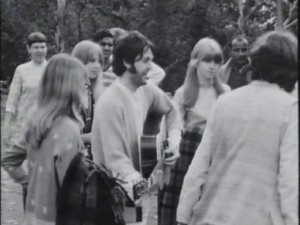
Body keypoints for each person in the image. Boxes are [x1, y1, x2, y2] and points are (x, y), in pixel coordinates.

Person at [177, 30, 298, 225]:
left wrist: (183, 216)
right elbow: (290, 182)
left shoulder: (224, 101)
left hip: (210, 217)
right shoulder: (290, 109)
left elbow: (199, 167)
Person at [91, 31, 182, 225]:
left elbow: (172, 111)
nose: (151, 67)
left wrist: (174, 141)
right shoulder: (110, 103)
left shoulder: (146, 89)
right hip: (114, 198)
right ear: (126, 62)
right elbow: (115, 160)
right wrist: (142, 184)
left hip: (138, 196)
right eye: (146, 61)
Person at [1, 53, 89, 225]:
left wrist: (31, 183)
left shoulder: (37, 122)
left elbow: (8, 159)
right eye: (83, 84)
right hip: (57, 217)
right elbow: (71, 189)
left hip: (33, 215)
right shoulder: (68, 129)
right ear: (70, 87)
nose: (86, 89)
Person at [158, 37, 230, 225]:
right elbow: (174, 127)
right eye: (207, 60)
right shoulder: (183, 93)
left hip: (217, 157)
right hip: (188, 159)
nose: (212, 66)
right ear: (195, 62)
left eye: (217, 61)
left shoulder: (226, 93)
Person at [3, 32, 48, 149]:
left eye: (42, 47)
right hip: (24, 127)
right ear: (29, 49)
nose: (40, 51)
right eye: (36, 47)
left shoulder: (52, 68)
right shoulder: (21, 70)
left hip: (47, 127)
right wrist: (7, 127)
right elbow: (12, 100)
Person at [71, 40, 104, 158]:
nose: (97, 66)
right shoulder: (66, 95)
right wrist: (89, 137)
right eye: (91, 61)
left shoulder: (94, 95)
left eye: (100, 62)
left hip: (92, 162)